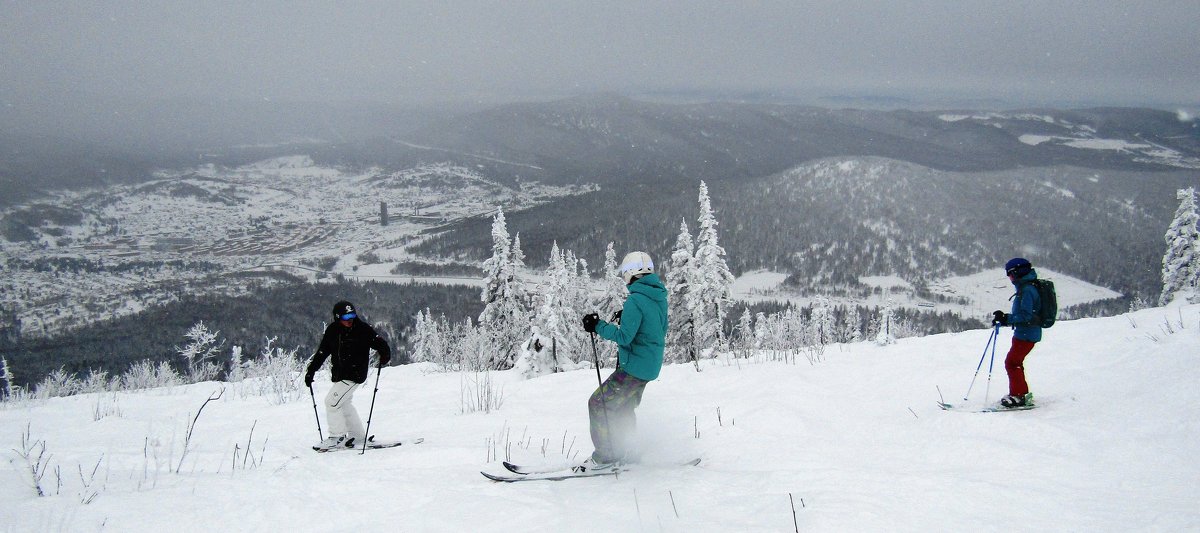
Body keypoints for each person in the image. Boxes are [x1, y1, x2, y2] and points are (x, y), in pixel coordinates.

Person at [579, 251, 668, 470]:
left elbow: (624, 337)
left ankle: (605, 456)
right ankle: (628, 449)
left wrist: (597, 325)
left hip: (634, 368)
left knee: (598, 403)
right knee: (623, 408)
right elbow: (657, 328)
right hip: (650, 366)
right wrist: (627, 316)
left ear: (630, 273)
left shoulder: (635, 300)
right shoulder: (658, 296)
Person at [305, 300, 391, 449]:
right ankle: (357, 436)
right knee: (344, 403)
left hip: (355, 373)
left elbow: (380, 343)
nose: (350, 320)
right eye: (346, 317)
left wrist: (385, 354)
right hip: (340, 374)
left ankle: (336, 437)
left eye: (352, 315)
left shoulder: (362, 329)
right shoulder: (332, 331)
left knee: (331, 402)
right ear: (338, 318)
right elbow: (322, 352)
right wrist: (311, 371)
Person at [991, 258, 1042, 408]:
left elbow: (1026, 316)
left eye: (1011, 275)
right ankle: (1020, 392)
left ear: (1018, 272)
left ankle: (1019, 396)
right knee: (1015, 363)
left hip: (1026, 334)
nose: (1010, 278)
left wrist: (1006, 319)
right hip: (1025, 333)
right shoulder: (1027, 287)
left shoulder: (1027, 290)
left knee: (1012, 363)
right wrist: (1006, 318)